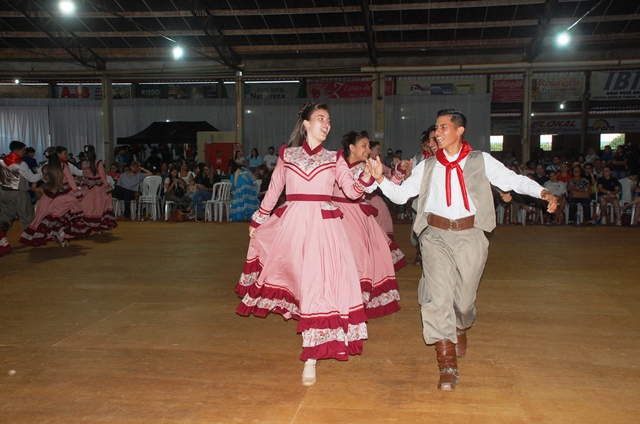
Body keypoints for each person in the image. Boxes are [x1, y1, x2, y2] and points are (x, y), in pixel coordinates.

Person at [367, 109, 556, 391]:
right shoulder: (428, 166)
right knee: (438, 298)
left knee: (464, 300)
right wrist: (381, 180)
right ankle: (447, 365)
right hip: (435, 236)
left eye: (444, 127)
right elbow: (401, 194)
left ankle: (460, 325)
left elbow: (513, 180)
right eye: (436, 127)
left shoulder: (480, 160)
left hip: (471, 235)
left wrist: (542, 192)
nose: (439, 132)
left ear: (459, 130)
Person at [235, 102, 368, 387]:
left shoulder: (335, 158)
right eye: (320, 118)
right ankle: (311, 348)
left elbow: (352, 192)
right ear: (306, 123)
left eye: (329, 119)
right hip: (293, 226)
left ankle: (311, 357)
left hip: (324, 228)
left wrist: (369, 176)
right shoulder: (288, 154)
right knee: (300, 283)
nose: (326, 123)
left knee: (318, 286)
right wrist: (259, 220)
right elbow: (274, 190)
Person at [333, 130, 403, 318]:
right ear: (351, 147)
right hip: (335, 217)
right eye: (363, 146)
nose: (367, 150)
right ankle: (340, 302)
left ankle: (355, 304)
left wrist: (400, 172)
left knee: (359, 259)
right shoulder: (335, 164)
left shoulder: (368, 166)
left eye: (368, 146)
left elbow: (388, 183)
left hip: (356, 217)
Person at [20, 147, 90, 246]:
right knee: (68, 214)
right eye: (65, 153)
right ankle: (62, 235)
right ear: (58, 154)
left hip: (50, 195)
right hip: (65, 194)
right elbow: (70, 179)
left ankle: (56, 234)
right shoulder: (63, 165)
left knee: (46, 215)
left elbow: (44, 180)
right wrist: (77, 193)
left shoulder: (44, 167)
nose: (66, 155)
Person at [0, 141, 43, 241]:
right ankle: (30, 238)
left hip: (4, 193)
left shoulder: (2, 161)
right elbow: (32, 178)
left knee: (6, 216)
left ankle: (2, 235)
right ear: (18, 150)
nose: (24, 152)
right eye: (23, 150)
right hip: (19, 193)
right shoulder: (21, 163)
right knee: (27, 216)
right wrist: (41, 173)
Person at [79, 145, 117, 232]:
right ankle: (100, 224)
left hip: (88, 186)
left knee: (88, 205)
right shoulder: (98, 162)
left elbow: (84, 176)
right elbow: (102, 175)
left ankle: (88, 224)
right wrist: (107, 186)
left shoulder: (84, 163)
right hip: (98, 187)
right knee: (100, 206)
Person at [365, 141, 395, 240]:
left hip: (374, 197)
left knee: (381, 220)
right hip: (367, 199)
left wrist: (396, 168)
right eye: (377, 149)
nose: (379, 152)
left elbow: (389, 172)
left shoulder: (378, 163)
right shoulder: (364, 162)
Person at [229, 157, 260, 222]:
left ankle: (241, 216)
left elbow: (234, 181)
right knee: (247, 201)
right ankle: (248, 216)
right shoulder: (243, 168)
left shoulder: (235, 170)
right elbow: (253, 178)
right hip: (249, 184)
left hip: (241, 184)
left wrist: (233, 190)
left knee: (240, 200)